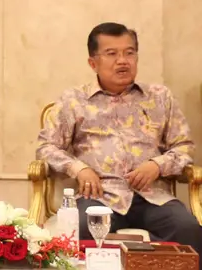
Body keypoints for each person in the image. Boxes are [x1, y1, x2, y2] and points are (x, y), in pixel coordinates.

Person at [36, 22, 202, 253]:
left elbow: (184, 147)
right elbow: (46, 147)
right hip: (98, 197)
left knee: (188, 229)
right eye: (111, 54)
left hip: (152, 196)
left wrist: (157, 165)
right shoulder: (74, 100)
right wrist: (79, 169)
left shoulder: (160, 98)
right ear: (93, 63)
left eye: (129, 53)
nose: (122, 61)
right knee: (77, 230)